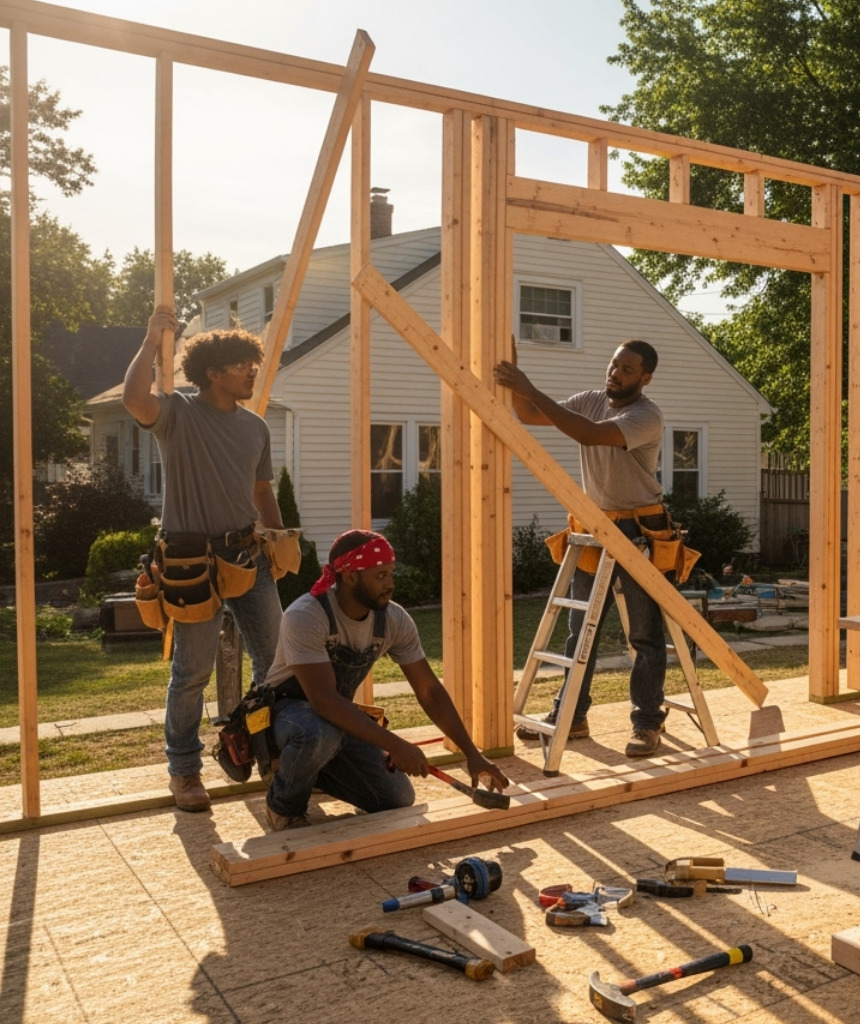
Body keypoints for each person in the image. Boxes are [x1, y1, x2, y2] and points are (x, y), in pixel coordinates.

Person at [121, 306, 286, 812]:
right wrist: (151, 340)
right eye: (242, 366)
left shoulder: (256, 428)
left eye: (253, 365)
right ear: (213, 372)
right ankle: (185, 771)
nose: (251, 372)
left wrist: (279, 539)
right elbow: (132, 399)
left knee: (278, 663)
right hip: (192, 563)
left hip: (247, 557)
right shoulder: (177, 414)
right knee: (192, 672)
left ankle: (266, 750)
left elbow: (262, 491)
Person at [493, 340, 676, 758]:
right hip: (594, 525)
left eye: (627, 370)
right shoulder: (591, 400)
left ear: (645, 378)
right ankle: (572, 714)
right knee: (581, 631)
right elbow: (529, 414)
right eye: (614, 365)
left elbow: (589, 434)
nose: (615, 373)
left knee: (644, 634)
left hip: (639, 529)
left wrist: (529, 386)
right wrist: (516, 376)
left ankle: (647, 723)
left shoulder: (646, 415)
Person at [258, 531, 510, 830]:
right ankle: (283, 807)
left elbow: (428, 690)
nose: (390, 583)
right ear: (350, 576)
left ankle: (309, 769)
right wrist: (397, 745)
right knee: (317, 732)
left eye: (391, 573)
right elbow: (323, 700)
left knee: (396, 797)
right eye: (380, 575)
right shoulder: (306, 615)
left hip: (335, 719)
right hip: (285, 716)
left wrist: (472, 753)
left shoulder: (393, 620)